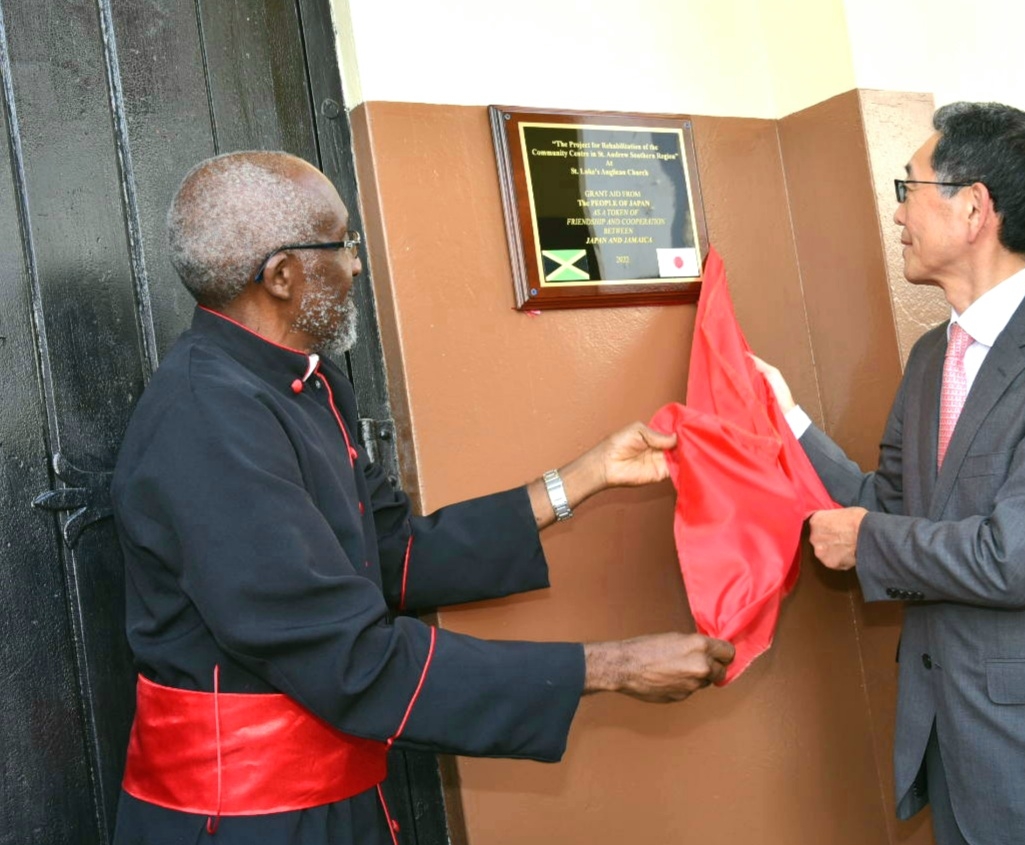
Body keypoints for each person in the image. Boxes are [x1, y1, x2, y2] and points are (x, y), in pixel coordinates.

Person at [110, 150, 733, 845]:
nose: (355, 265)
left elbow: (394, 553)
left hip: (338, 803)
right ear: (282, 275)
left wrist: (580, 479)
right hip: (245, 821)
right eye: (342, 244)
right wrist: (613, 666)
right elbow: (349, 655)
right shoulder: (206, 419)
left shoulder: (309, 385)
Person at [754, 102, 1025, 845]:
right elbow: (886, 504)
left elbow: (1015, 557)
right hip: (961, 764)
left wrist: (867, 540)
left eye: (910, 188)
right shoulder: (932, 359)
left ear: (973, 208)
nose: (898, 213)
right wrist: (787, 418)